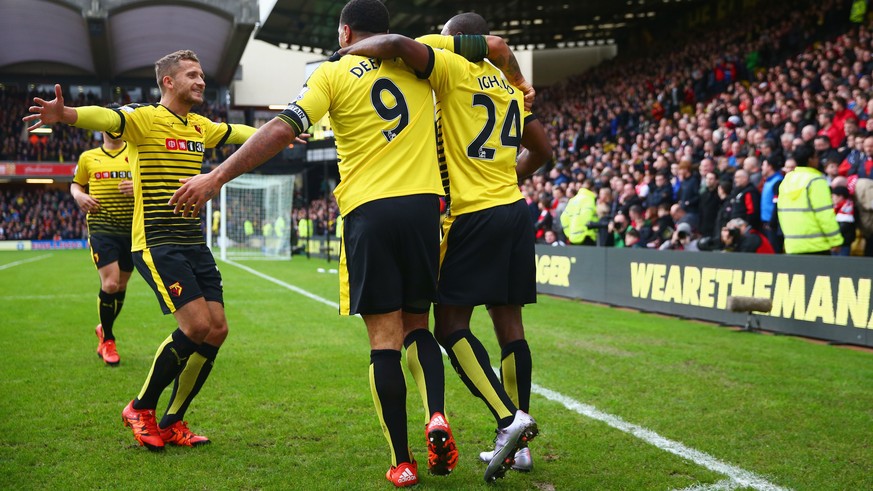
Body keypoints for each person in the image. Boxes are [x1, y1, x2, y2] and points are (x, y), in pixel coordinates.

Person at [165, 1, 477, 485]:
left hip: (369, 211)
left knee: (383, 341)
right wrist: (519, 82)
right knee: (419, 325)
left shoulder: (332, 73)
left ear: (345, 31)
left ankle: (402, 461)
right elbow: (491, 45)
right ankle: (436, 413)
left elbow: (282, 128)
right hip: (423, 207)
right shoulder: (421, 54)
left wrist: (218, 176)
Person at [26, 50, 259, 452]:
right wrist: (65, 116)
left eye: (201, 75)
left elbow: (235, 132)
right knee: (196, 326)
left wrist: (278, 129)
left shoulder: (199, 126)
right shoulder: (144, 118)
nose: (201, 81)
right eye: (192, 75)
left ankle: (172, 421)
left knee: (217, 329)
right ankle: (140, 407)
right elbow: (106, 117)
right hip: (156, 241)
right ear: (168, 81)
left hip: (193, 240)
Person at [356, 12, 550, 480]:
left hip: (473, 214)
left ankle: (510, 418)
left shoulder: (451, 65)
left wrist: (347, 53)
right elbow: (543, 151)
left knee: (448, 327)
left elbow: (400, 42)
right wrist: (506, 173)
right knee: (511, 326)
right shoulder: (504, 86)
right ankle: (518, 445)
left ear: (459, 40)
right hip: (515, 210)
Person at [71, 123, 133, 366]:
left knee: (121, 286)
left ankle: (103, 327)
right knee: (110, 283)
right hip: (102, 228)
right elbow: (76, 184)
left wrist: (138, 188)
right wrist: (79, 195)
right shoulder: (89, 157)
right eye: (110, 124)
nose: (114, 129)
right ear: (101, 128)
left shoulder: (136, 152)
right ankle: (108, 339)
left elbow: (152, 185)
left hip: (132, 230)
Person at [777, 144, 843, 254]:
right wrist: (835, 241)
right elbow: (824, 214)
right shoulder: (816, 181)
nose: (818, 160)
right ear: (810, 160)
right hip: (818, 246)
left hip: (793, 245)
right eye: (816, 157)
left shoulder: (786, 181)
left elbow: (781, 214)